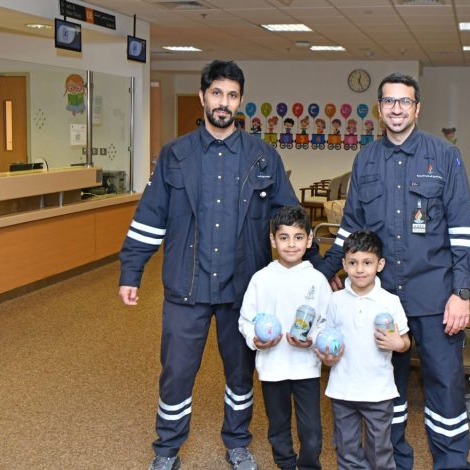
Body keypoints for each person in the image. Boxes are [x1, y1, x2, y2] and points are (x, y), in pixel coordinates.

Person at [118, 60, 315, 470]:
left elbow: (291, 219)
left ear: (240, 101)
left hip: (242, 290)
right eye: (216, 93)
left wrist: (318, 271)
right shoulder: (175, 155)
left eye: (232, 95)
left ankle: (237, 442)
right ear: (203, 96)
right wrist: (131, 271)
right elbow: (150, 217)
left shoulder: (263, 157)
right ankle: (167, 449)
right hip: (185, 286)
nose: (223, 102)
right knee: (176, 373)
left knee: (241, 374)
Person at [317, 72, 470, 470]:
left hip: (435, 295)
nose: (397, 108)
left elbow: (461, 231)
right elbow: (351, 229)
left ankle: (452, 463)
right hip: (382, 299)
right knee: (388, 388)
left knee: (445, 385)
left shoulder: (445, 155)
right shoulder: (366, 160)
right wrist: (320, 273)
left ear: (417, 108)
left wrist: (461, 293)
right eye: (389, 101)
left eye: (405, 101)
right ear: (379, 109)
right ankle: (395, 462)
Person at [238, 205, 331, 470]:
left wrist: (312, 339)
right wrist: (255, 340)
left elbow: (327, 323)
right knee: (278, 426)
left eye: (298, 237)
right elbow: (246, 320)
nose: (291, 244)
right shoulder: (261, 279)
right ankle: (285, 465)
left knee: (311, 431)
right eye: (284, 237)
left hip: (306, 367)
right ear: (273, 240)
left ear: (309, 240)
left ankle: (309, 465)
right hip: (272, 367)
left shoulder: (317, 280)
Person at [317, 230, 410, 470]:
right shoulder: (335, 300)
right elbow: (327, 338)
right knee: (346, 449)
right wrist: (326, 356)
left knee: (380, 450)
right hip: (342, 390)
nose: (360, 269)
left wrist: (397, 344)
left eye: (367, 263)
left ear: (380, 265)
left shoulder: (390, 301)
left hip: (378, 392)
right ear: (344, 264)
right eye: (353, 263)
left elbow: (405, 341)